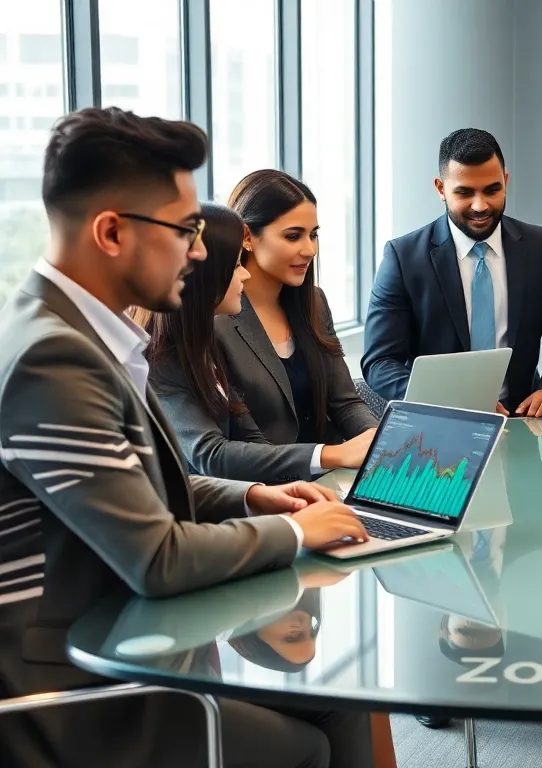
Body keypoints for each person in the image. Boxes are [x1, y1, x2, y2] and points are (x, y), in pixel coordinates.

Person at [0, 107, 373, 768]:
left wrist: (255, 497)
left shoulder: (84, 335)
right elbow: (158, 560)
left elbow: (142, 489)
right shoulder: (52, 359)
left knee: (336, 701)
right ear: (111, 231)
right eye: (185, 230)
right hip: (77, 691)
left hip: (128, 642)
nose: (201, 253)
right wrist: (294, 533)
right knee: (307, 746)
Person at [361, 128, 542, 416]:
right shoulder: (403, 258)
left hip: (521, 420)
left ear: (505, 181)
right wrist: (448, 401)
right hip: (439, 421)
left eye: (492, 190)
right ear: (441, 189)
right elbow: (380, 362)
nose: (480, 206)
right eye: (465, 192)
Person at [144, 203, 372, 484]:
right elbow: (211, 454)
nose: (245, 274)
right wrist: (331, 455)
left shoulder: (198, 340)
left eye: (313, 235)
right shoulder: (165, 350)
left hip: (278, 485)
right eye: (236, 265)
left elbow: (249, 436)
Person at [218, 169, 379, 483]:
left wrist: (378, 443)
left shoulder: (314, 303)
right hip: (266, 488)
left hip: (331, 479)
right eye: (293, 236)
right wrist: (333, 455)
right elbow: (237, 444)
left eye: (313, 235)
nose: (310, 250)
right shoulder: (218, 319)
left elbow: (345, 402)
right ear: (247, 237)